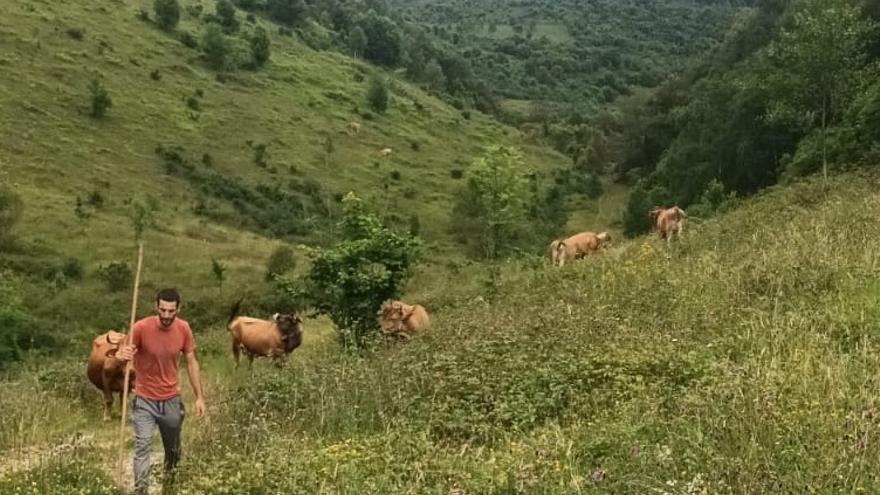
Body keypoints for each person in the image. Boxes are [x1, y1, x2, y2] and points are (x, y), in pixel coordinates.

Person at [116, 288, 206, 495]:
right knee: (142, 447)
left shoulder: (184, 329)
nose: (166, 315)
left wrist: (200, 397)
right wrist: (123, 354)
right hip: (144, 399)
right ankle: (141, 491)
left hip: (171, 400)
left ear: (178, 309)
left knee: (173, 451)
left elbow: (191, 362)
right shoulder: (140, 327)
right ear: (156, 307)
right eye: (162, 310)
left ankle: (169, 487)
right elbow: (122, 351)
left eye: (170, 311)